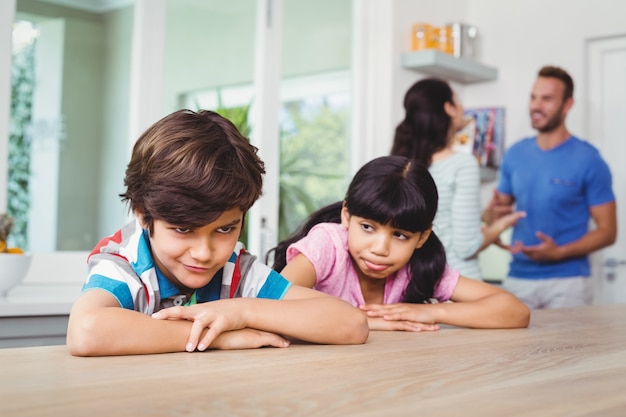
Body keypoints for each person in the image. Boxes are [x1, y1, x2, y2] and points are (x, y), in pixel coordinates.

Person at [66, 109, 369, 356]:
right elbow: (86, 331)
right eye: (183, 229)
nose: (205, 252)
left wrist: (241, 312)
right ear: (144, 215)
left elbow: (351, 325)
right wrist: (216, 337)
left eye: (225, 229)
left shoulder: (235, 269)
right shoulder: (125, 262)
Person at [270, 155, 530, 331]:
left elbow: (515, 311)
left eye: (400, 235)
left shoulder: (420, 266)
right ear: (346, 216)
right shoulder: (327, 244)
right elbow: (273, 305)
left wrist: (431, 313)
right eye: (368, 227)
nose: (380, 248)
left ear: (422, 237)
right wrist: (369, 321)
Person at [482, 66, 617, 309]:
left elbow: (608, 231)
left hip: (569, 282)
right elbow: (495, 214)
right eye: (533, 97)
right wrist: (492, 214)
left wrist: (560, 252)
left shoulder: (589, 160)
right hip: (518, 278)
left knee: (571, 349)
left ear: (567, 105)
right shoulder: (515, 154)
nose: (536, 106)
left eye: (547, 99)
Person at [391, 77, 525, 279]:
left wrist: (482, 216)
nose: (463, 108)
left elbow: (439, 218)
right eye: (459, 101)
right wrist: (503, 224)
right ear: (449, 108)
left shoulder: (401, 165)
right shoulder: (461, 165)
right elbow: (467, 246)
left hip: (414, 282)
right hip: (456, 284)